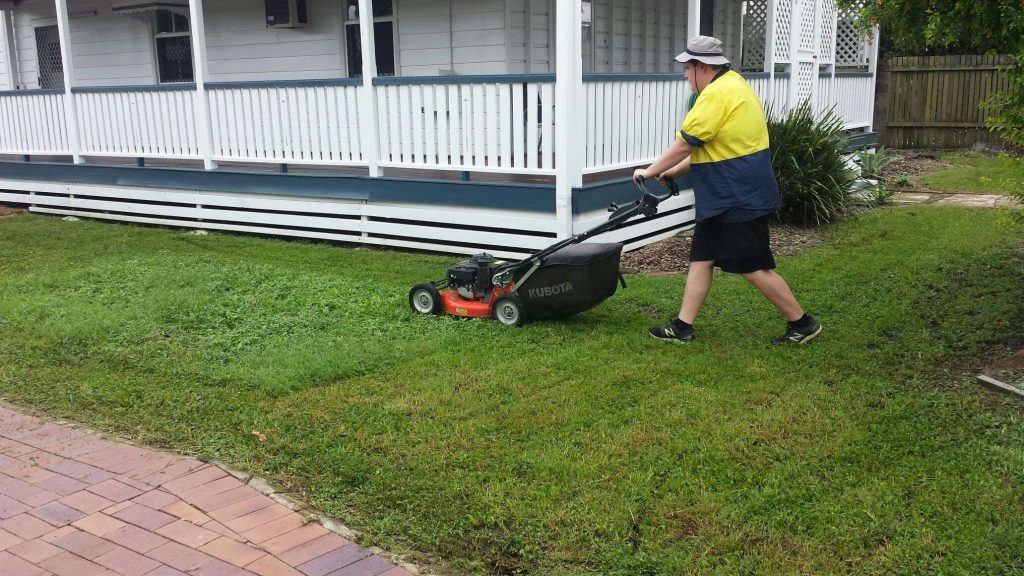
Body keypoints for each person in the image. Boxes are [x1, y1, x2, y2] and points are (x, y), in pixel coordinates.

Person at [632, 36, 822, 345]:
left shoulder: (716, 95)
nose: (684, 75)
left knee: (752, 267)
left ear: (702, 67)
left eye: (687, 68)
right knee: (701, 259)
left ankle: (802, 323)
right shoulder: (734, 84)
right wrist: (672, 171)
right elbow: (712, 146)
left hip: (738, 196)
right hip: (726, 195)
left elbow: (685, 143)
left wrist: (650, 171)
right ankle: (682, 327)